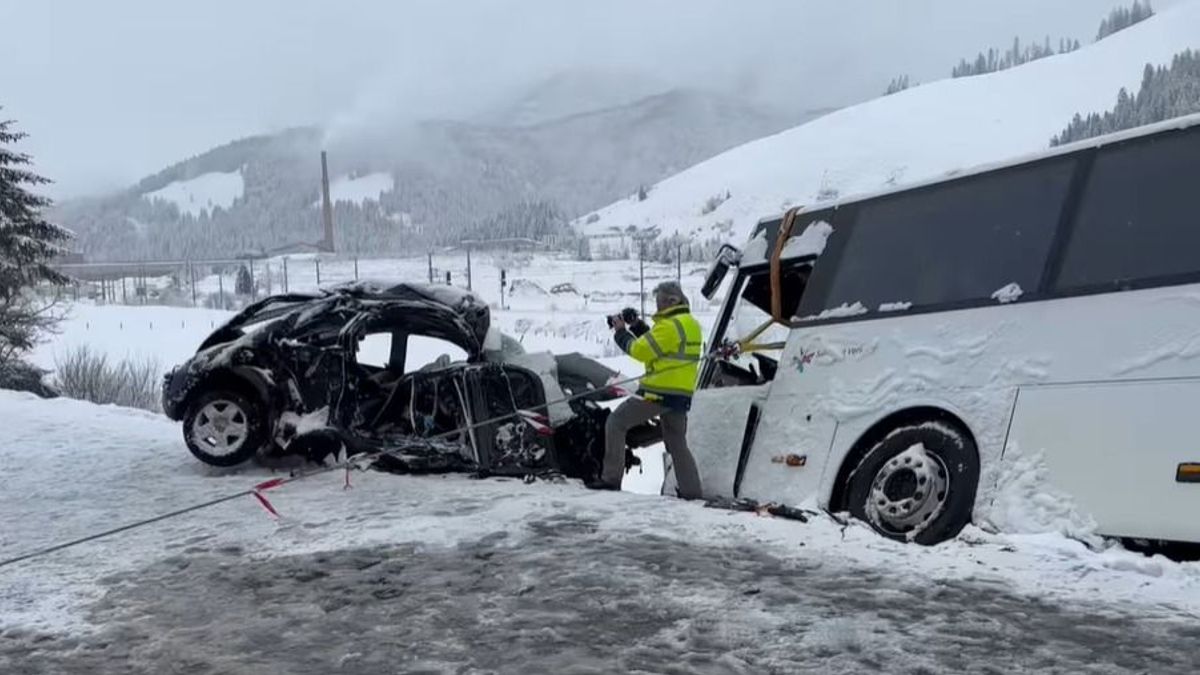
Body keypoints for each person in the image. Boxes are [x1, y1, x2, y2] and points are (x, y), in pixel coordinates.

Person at [588, 280, 704, 499]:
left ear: (672, 301)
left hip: (658, 391)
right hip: (681, 394)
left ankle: (611, 479)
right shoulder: (689, 323)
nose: (657, 306)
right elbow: (659, 346)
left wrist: (621, 332)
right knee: (677, 442)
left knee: (616, 423)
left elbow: (641, 350)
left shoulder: (670, 325)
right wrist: (637, 325)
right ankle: (692, 492)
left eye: (660, 301)